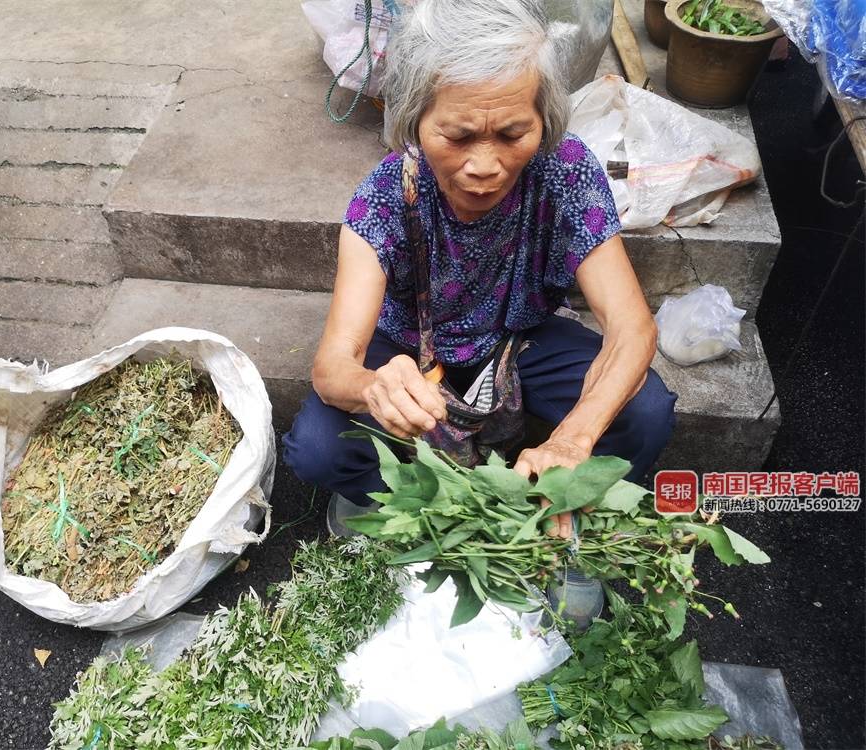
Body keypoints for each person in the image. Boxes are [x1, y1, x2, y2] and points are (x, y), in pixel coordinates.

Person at [283, 0, 678, 537]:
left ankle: (559, 508)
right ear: (415, 123)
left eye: (514, 134)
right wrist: (375, 385)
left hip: (519, 340)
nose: (486, 165)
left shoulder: (566, 173)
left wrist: (573, 438)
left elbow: (632, 328)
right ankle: (424, 512)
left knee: (645, 410)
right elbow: (333, 368)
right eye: (459, 136)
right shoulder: (383, 200)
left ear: (544, 120)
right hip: (410, 350)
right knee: (318, 448)